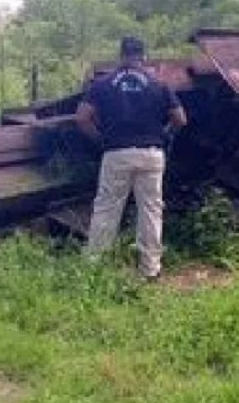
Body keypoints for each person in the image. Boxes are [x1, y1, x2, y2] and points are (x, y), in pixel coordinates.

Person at [76, 36, 187, 280]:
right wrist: (165, 134)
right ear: (143, 57)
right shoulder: (159, 84)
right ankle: (150, 269)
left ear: (121, 56)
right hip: (151, 153)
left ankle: (95, 268)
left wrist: (100, 140)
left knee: (107, 208)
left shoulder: (102, 84)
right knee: (150, 210)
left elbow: (82, 118)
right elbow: (180, 118)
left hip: (116, 153)